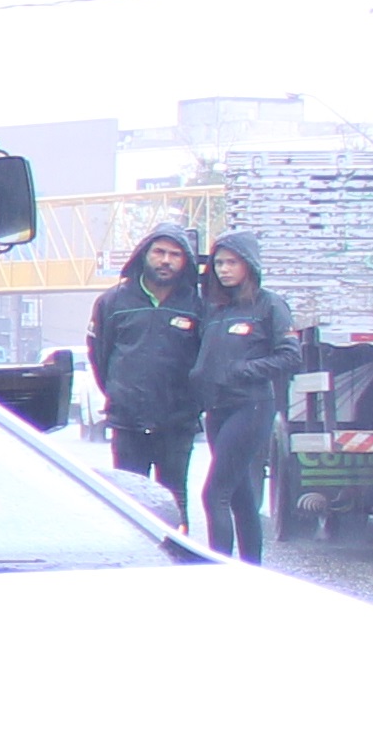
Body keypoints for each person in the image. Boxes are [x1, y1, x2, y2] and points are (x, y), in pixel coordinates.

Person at [89, 221, 207, 529]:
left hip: (177, 422)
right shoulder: (112, 303)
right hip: (127, 422)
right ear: (144, 255)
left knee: (174, 500)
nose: (166, 260)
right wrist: (120, 392)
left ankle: (177, 565)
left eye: (175, 255)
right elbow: (100, 357)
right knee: (130, 503)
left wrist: (191, 403)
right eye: (159, 252)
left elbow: (205, 361)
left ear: (186, 262)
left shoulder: (198, 305)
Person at [191, 232, 297, 564]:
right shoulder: (214, 309)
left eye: (231, 262)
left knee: (214, 493)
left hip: (251, 406)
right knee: (239, 494)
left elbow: (290, 356)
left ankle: (218, 569)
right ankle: (252, 567)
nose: (223, 269)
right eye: (219, 262)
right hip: (217, 408)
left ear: (248, 265)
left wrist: (243, 369)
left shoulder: (269, 305)